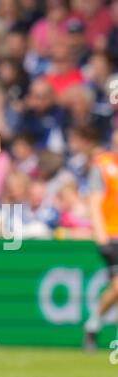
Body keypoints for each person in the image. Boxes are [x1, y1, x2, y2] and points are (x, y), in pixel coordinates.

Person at [83, 132, 118, 350]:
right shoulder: (103, 165)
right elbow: (94, 202)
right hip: (111, 234)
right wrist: (100, 235)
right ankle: (94, 323)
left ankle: (93, 324)